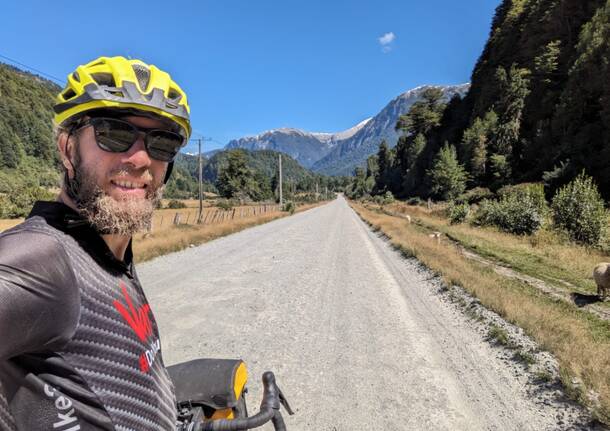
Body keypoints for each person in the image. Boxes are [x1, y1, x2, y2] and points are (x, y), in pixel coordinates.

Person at [0, 56, 191, 430]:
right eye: (114, 134)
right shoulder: (42, 260)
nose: (140, 159)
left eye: (162, 144)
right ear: (67, 148)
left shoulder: (108, 251)